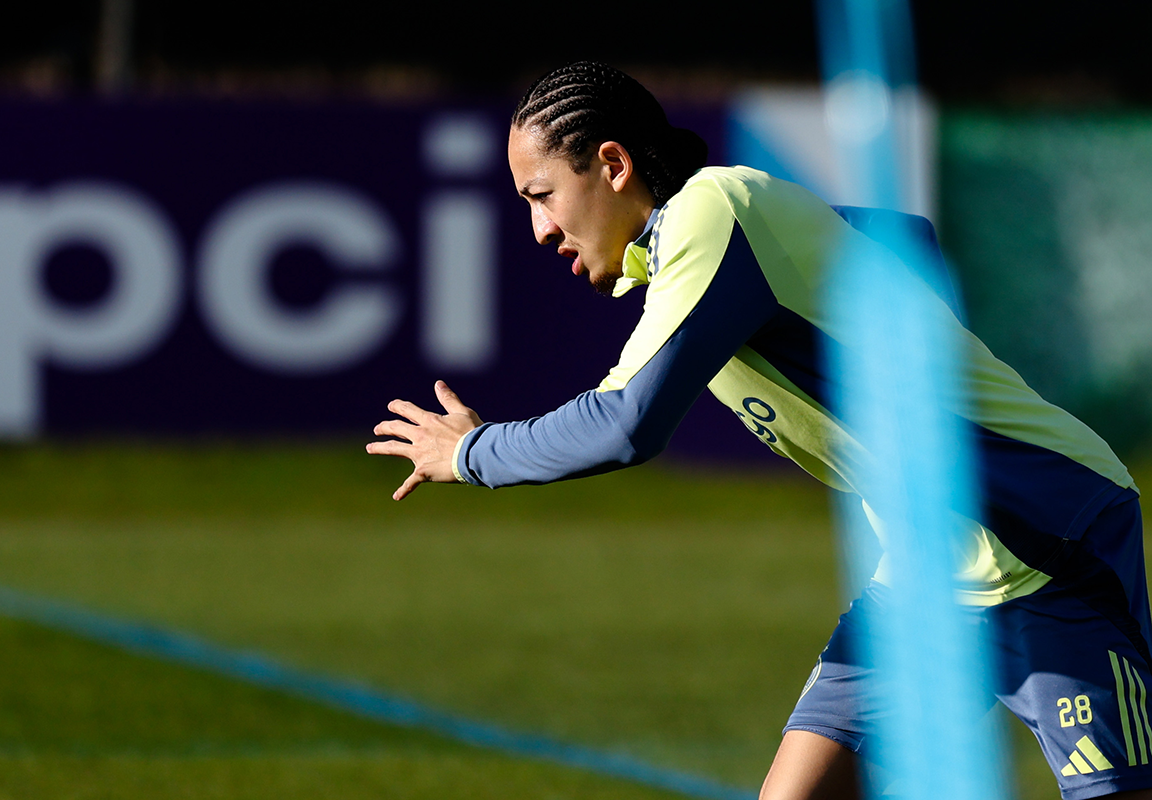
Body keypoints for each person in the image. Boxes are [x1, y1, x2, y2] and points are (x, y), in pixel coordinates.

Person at [366, 61, 1149, 800]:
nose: (538, 229)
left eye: (541, 195)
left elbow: (626, 425)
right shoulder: (690, 247)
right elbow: (902, 235)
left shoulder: (714, 208)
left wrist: (472, 452)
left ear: (611, 165)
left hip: (1050, 542)